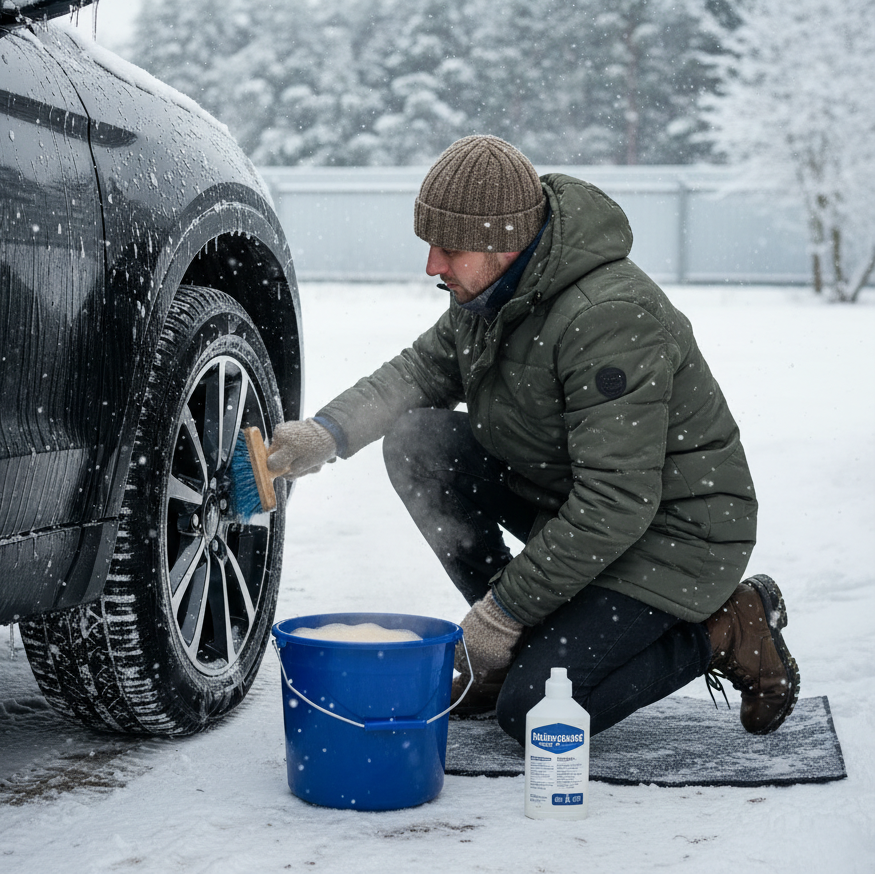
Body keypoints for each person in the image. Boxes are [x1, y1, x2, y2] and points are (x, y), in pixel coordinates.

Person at [266, 135, 800, 742]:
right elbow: (417, 374)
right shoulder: (491, 294)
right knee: (419, 443)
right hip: (577, 508)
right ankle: (522, 637)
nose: (432, 266)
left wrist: (503, 613)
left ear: (506, 240)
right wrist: (324, 434)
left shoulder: (607, 318)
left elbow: (616, 504)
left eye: (449, 248)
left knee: (534, 715)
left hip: (673, 536)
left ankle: (726, 626)